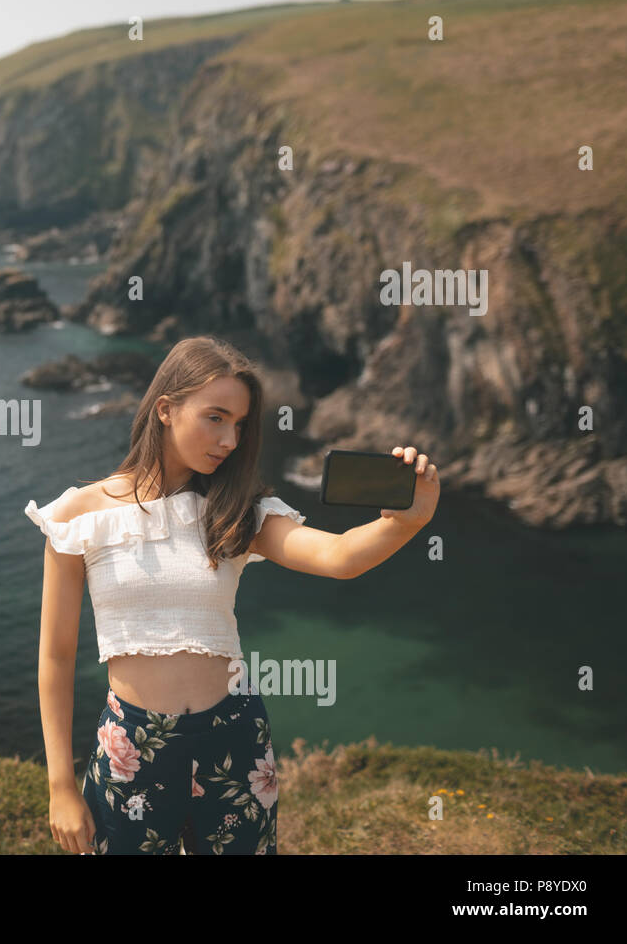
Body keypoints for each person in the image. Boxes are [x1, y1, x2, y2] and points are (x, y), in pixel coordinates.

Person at [25, 335, 439, 854]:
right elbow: (56, 657)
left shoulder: (239, 510)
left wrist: (408, 522)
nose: (229, 439)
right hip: (131, 746)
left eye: (240, 425)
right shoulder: (77, 518)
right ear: (166, 409)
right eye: (215, 417)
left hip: (234, 737)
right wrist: (60, 785)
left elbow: (340, 558)